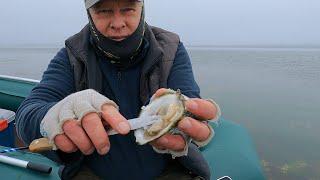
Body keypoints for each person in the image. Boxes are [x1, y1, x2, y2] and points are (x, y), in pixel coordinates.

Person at [16, 0, 221, 179]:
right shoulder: (71, 56)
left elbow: (190, 100)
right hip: (91, 174)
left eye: (128, 9)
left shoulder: (171, 49)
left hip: (170, 172)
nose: (118, 24)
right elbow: (29, 113)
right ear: (89, 13)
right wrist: (54, 115)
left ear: (142, 8)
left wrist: (187, 126)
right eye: (103, 10)